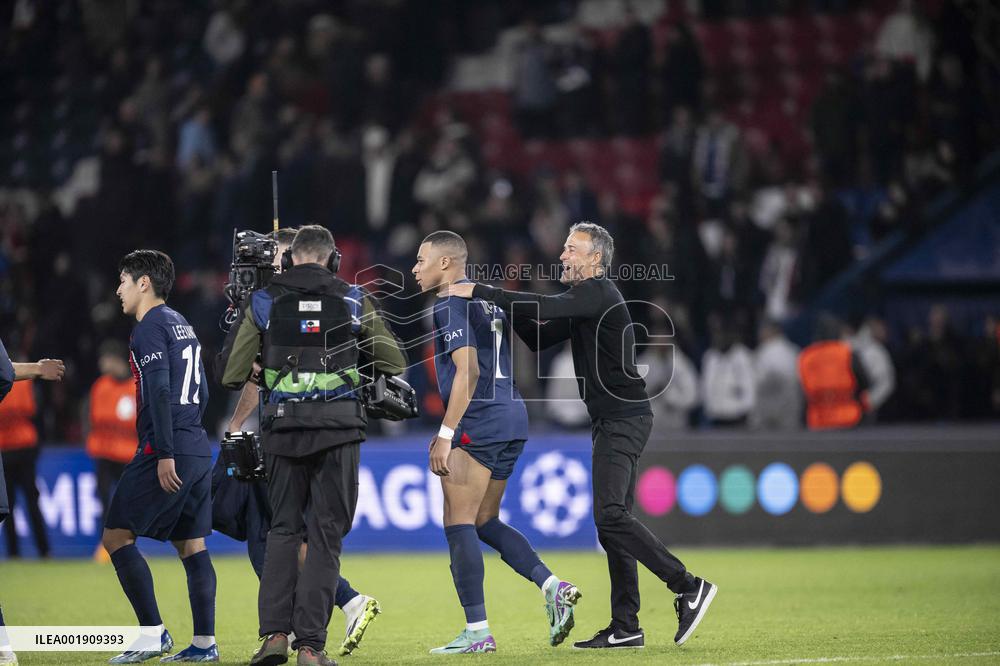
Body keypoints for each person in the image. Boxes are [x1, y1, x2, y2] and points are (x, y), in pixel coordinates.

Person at [447, 222, 717, 649]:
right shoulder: (585, 302)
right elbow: (537, 335)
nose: (562, 256)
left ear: (595, 259)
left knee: (610, 516)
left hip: (623, 418)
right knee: (612, 522)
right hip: (613, 419)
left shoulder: (599, 292)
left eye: (571, 249)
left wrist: (483, 292)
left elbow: (543, 305)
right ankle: (626, 627)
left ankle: (688, 586)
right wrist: (499, 311)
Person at [218, 225, 405, 666]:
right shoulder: (355, 299)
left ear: (287, 260)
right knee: (324, 540)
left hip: (282, 433)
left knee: (282, 532)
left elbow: (229, 374)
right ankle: (310, 648)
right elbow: (394, 360)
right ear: (333, 260)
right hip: (339, 433)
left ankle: (274, 638)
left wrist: (267, 358)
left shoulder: (262, 301)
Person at [412, 231, 582, 655]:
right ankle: (551, 585)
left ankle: (476, 632)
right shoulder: (489, 302)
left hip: (479, 422)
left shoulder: (449, 304)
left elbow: (467, 372)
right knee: (485, 520)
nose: (414, 268)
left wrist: (446, 434)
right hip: (512, 416)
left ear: (447, 263)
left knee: (459, 523)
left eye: (421, 260)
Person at [103, 250, 218, 663]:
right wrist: (188, 437)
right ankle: (205, 644)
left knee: (115, 536)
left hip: (163, 450)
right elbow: (202, 391)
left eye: (122, 281)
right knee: (191, 545)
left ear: (143, 283)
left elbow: (161, 391)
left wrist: (166, 452)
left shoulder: (149, 327)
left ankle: (153, 634)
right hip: (196, 444)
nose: (118, 290)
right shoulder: (183, 324)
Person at [1, 355, 65, 560]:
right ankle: (41, 551)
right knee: (24, 502)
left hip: (15, 448)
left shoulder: (19, 381)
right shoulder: (23, 383)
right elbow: (34, 411)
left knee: (13, 504)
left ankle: (20, 553)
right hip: (18, 446)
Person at [85, 340, 139, 563]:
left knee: (128, 504)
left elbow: (136, 421)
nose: (102, 363)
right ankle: (105, 546)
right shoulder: (101, 386)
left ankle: (128, 546)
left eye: (105, 358)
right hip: (104, 455)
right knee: (105, 501)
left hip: (127, 456)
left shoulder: (135, 386)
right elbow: (95, 418)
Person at [798, 314, 871, 430]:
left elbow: (802, 387)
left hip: (817, 418)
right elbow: (866, 382)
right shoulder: (847, 353)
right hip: (848, 416)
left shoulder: (806, 356)